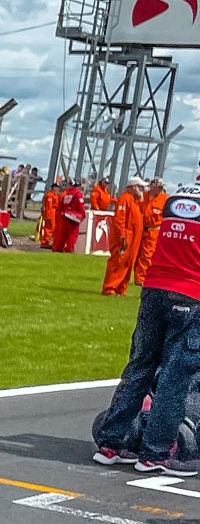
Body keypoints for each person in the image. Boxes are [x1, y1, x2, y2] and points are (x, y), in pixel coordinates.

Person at [92, 178, 200, 470]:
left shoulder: (175, 195)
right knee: (176, 376)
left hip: (154, 289)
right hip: (190, 293)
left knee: (140, 366)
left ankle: (111, 442)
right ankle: (156, 453)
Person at [103, 176, 145, 297]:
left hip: (134, 237)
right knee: (118, 262)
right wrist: (123, 237)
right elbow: (119, 220)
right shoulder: (125, 199)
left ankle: (121, 288)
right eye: (140, 187)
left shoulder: (135, 201)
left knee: (128, 263)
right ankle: (110, 288)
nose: (142, 190)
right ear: (133, 187)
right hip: (126, 236)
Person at [136, 179, 168, 285]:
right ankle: (138, 275)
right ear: (152, 186)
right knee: (136, 255)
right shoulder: (143, 197)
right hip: (141, 230)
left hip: (154, 232)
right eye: (158, 187)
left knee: (147, 255)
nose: (159, 189)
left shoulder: (164, 199)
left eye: (161, 187)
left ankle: (141, 278)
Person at [56, 177, 87, 252]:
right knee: (72, 234)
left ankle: (59, 248)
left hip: (65, 216)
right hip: (73, 217)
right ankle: (69, 249)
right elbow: (81, 205)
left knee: (62, 234)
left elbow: (61, 206)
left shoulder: (66, 193)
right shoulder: (78, 194)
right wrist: (83, 215)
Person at [37, 179, 62, 249]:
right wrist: (48, 216)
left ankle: (48, 242)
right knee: (49, 228)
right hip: (51, 213)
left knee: (53, 229)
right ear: (54, 187)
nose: (58, 189)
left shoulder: (56, 195)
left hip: (54, 213)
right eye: (57, 187)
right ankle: (45, 243)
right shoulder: (50, 195)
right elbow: (48, 207)